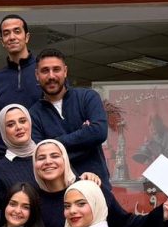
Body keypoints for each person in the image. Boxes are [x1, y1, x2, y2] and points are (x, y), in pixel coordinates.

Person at [0, 105, 100, 227]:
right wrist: (17, 212)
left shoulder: (50, 157)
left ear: (30, 123)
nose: (18, 127)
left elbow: (73, 187)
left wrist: (86, 180)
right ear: (3, 131)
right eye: (10, 124)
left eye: (22, 121)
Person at [33, 139, 168, 227]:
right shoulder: (33, 199)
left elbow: (123, 224)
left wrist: (161, 215)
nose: (48, 162)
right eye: (41, 158)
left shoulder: (89, 188)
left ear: (65, 159)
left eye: (55, 156)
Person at [29, 48, 111, 188]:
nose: (51, 76)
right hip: (59, 191)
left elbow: (99, 133)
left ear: (65, 71)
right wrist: (85, 137)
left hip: (97, 186)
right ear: (37, 75)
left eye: (56, 69)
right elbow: (41, 154)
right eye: (45, 71)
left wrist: (55, 143)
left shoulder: (87, 97)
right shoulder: (33, 115)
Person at [0, 15, 42, 163]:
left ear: (27, 37)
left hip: (42, 156)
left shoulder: (45, 72)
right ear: (2, 41)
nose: (12, 37)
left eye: (17, 31)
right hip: (6, 160)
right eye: (6, 33)